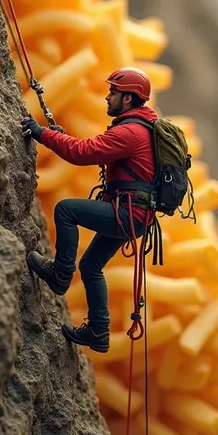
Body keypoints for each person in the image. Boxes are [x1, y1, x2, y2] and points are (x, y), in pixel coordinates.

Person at [21, 67, 158, 354]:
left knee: (66, 210)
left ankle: (60, 274)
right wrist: (58, 137)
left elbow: (82, 153)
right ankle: (98, 332)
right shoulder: (140, 129)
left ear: (129, 99)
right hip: (135, 215)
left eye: (113, 92)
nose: (107, 97)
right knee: (92, 266)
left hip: (127, 214)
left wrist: (40, 133)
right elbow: (93, 149)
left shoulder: (131, 132)